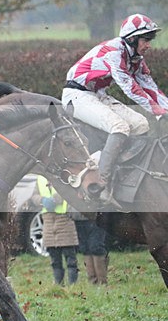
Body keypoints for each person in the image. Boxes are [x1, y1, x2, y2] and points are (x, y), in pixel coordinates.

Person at [62, 13, 168, 204]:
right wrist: (157, 112)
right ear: (132, 38)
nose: (149, 45)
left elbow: (150, 87)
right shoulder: (114, 52)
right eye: (146, 39)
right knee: (119, 126)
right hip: (76, 95)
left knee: (141, 124)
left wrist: (166, 109)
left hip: (97, 94)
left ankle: (125, 174)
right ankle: (102, 183)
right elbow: (130, 88)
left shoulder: (135, 57)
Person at [31, 175, 79, 286]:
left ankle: (73, 286)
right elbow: (34, 196)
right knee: (54, 259)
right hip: (48, 222)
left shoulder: (63, 175)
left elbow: (68, 191)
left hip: (64, 219)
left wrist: (55, 200)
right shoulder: (40, 178)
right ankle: (58, 285)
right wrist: (43, 200)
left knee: (70, 258)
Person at [73, 214, 109, 285]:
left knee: (96, 247)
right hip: (78, 217)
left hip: (95, 217)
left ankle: (101, 281)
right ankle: (93, 281)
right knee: (86, 249)